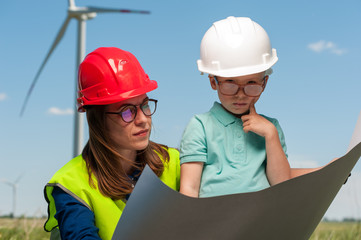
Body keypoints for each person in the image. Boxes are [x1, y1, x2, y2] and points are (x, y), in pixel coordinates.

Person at [43, 47, 180, 240]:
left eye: (145, 105)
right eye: (127, 111)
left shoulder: (175, 162)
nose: (143, 119)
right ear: (99, 121)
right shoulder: (71, 184)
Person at [179, 16, 292, 198]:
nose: (240, 94)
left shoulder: (271, 127)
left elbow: (282, 186)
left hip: (261, 219)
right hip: (214, 221)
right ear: (213, 81)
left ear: (264, 83)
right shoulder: (200, 125)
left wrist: (271, 135)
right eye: (230, 84)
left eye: (251, 84)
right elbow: (189, 189)